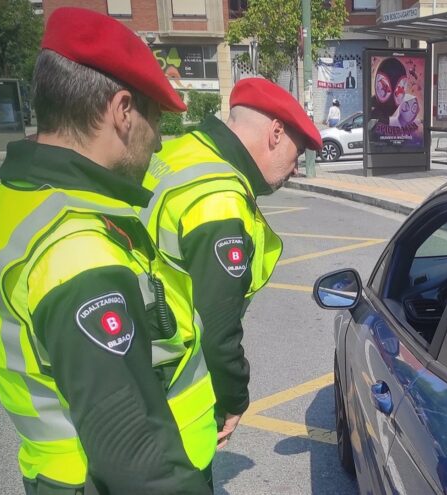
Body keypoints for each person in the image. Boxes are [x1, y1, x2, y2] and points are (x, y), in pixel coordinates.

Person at [0, 8, 217, 494]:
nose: (159, 140)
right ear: (123, 110)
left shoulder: (18, 198)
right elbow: (137, 460)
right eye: (156, 118)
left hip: (53, 472)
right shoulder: (78, 253)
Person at [140, 78, 321, 450]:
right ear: (275, 133)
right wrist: (233, 397)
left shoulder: (182, 152)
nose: (296, 169)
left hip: (136, 363)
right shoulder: (219, 199)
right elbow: (217, 327)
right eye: (297, 153)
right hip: (174, 393)